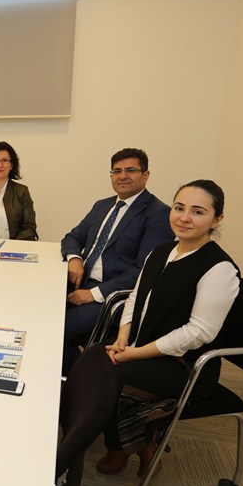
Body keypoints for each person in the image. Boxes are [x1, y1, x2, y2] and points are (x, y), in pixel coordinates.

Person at [95, 179, 239, 478]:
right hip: (142, 344)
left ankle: (128, 446)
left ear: (217, 219)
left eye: (198, 212)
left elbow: (198, 333)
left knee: (110, 374)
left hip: (186, 365)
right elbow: (136, 297)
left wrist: (134, 354)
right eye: (179, 208)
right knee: (94, 359)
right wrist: (123, 338)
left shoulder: (219, 268)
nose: (184, 218)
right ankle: (132, 439)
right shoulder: (160, 252)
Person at [60, 148, 174, 373]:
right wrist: (75, 259)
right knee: (36, 309)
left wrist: (92, 294)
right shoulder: (102, 205)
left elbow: (144, 270)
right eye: (117, 171)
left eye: (130, 170)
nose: (122, 176)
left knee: (58, 328)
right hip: (80, 280)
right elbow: (72, 237)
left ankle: (79, 382)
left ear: (146, 175)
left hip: (111, 296)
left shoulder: (158, 214)